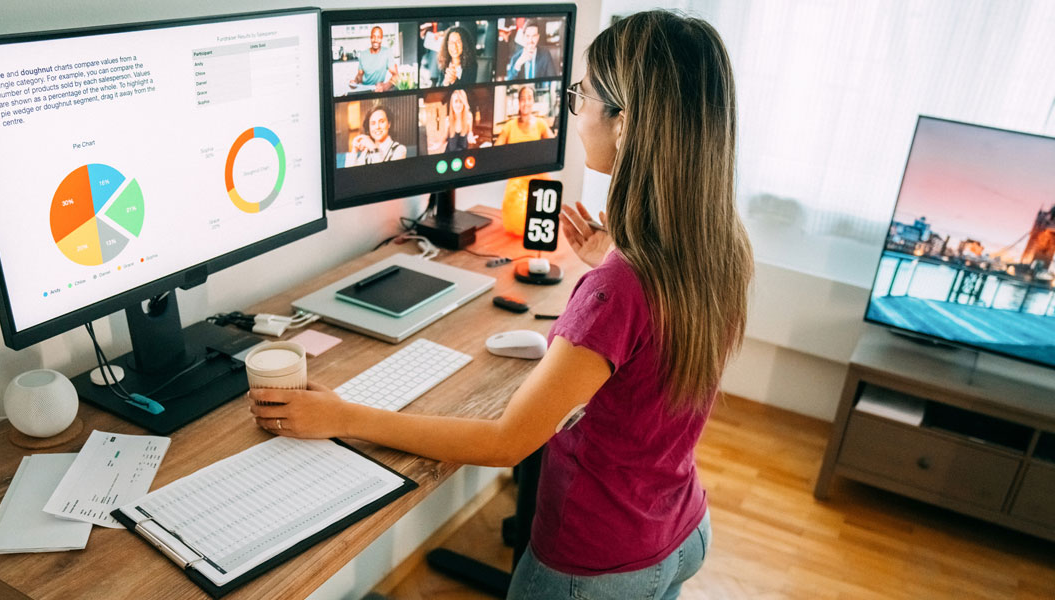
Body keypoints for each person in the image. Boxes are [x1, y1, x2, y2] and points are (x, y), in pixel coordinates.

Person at [254, 10, 752, 600]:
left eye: (581, 94)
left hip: (594, 565)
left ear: (626, 124)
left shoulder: (618, 290)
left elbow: (507, 442)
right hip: (680, 530)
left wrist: (344, 417)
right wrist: (610, 259)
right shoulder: (719, 248)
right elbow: (652, 338)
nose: (573, 109)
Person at [350, 26, 398, 92]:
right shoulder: (363, 54)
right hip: (364, 90)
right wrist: (355, 82)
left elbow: (396, 75)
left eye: (378, 37)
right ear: (370, 38)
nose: (375, 40)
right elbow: (360, 75)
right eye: (373, 36)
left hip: (378, 90)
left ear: (381, 39)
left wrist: (385, 86)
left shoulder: (387, 52)